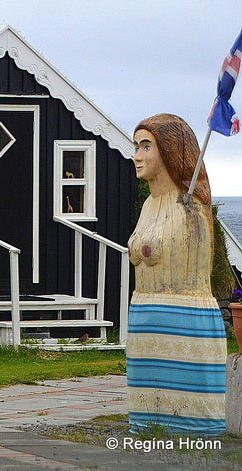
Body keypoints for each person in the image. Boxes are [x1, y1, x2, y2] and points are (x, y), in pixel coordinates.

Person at [126, 113, 226, 436]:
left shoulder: (191, 210)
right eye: (136, 146)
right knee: (147, 413)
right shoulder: (148, 207)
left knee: (186, 414)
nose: (137, 156)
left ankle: (194, 429)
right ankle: (148, 426)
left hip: (183, 321)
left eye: (146, 146)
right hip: (144, 321)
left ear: (170, 151)